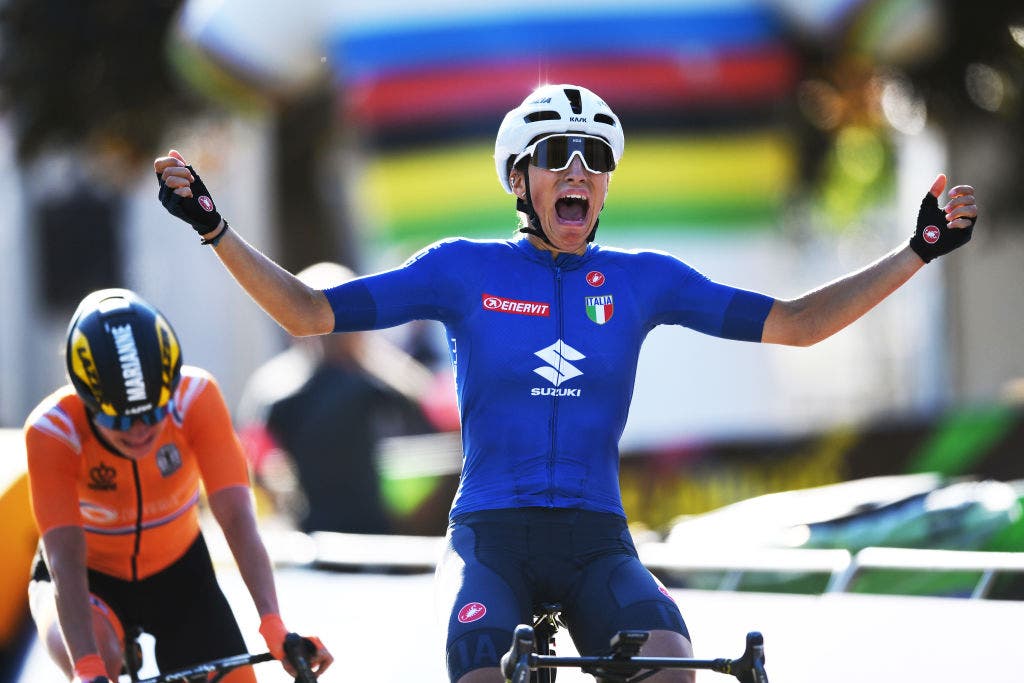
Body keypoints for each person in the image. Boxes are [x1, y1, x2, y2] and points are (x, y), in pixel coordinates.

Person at [154, 83, 977, 683]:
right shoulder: (461, 269)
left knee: (675, 669)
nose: (577, 169)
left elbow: (797, 323)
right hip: (491, 542)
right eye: (556, 155)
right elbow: (305, 312)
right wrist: (215, 229)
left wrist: (916, 251)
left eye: (597, 157)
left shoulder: (645, 279)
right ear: (520, 179)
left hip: (597, 542)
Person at [24, 289, 333, 683]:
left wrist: (273, 625)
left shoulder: (197, 396)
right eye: (119, 420)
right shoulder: (53, 429)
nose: (138, 432)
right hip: (87, 578)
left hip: (179, 573)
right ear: (86, 401)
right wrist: (87, 669)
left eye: (153, 414)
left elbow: (237, 517)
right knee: (99, 656)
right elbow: (64, 556)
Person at [236, 261, 435, 534]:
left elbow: (253, 464)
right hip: (348, 531)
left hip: (329, 531)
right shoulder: (284, 390)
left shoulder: (276, 388)